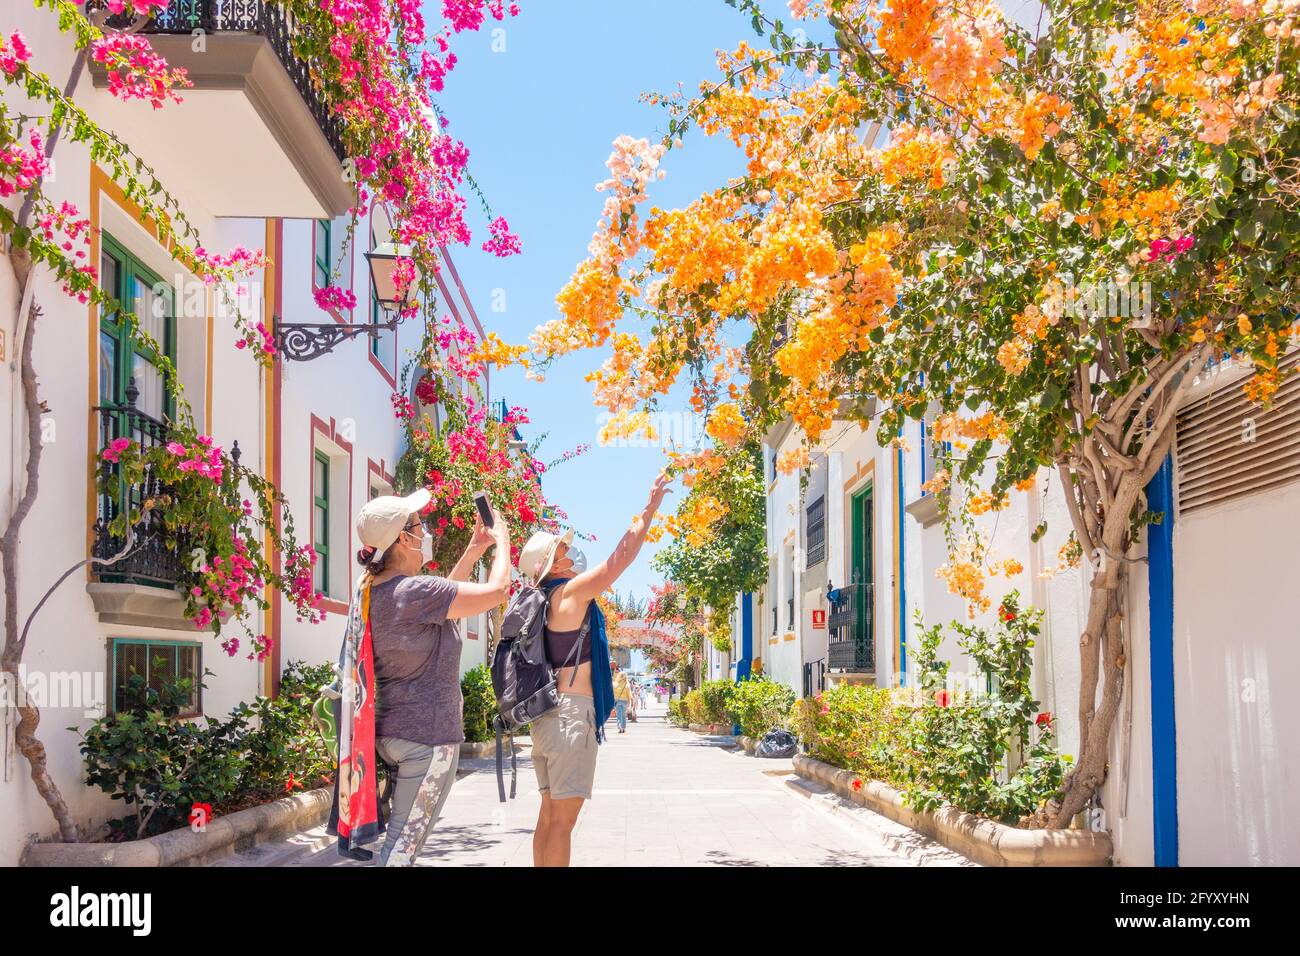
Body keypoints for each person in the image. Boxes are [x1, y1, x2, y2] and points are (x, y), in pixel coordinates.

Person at [333, 488, 510, 867]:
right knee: (400, 852)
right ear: (403, 539)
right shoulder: (415, 592)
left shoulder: (372, 592)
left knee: (399, 847)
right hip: (426, 742)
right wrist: (503, 542)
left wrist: (474, 550)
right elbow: (497, 592)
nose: (425, 531)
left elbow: (442, 605)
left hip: (390, 736)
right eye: (419, 525)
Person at [519, 470, 672, 867]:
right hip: (570, 715)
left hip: (546, 717)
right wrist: (649, 509)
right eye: (564, 551)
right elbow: (620, 559)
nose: (572, 554)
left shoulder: (540, 600)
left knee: (549, 816)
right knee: (562, 824)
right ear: (553, 562)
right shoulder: (569, 594)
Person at [611, 662, 631, 733]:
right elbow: (629, 694)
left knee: (619, 715)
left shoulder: (615, 683)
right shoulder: (627, 684)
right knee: (623, 716)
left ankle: (620, 727)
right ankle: (623, 728)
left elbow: (612, 693)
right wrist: (629, 703)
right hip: (625, 701)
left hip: (617, 701)